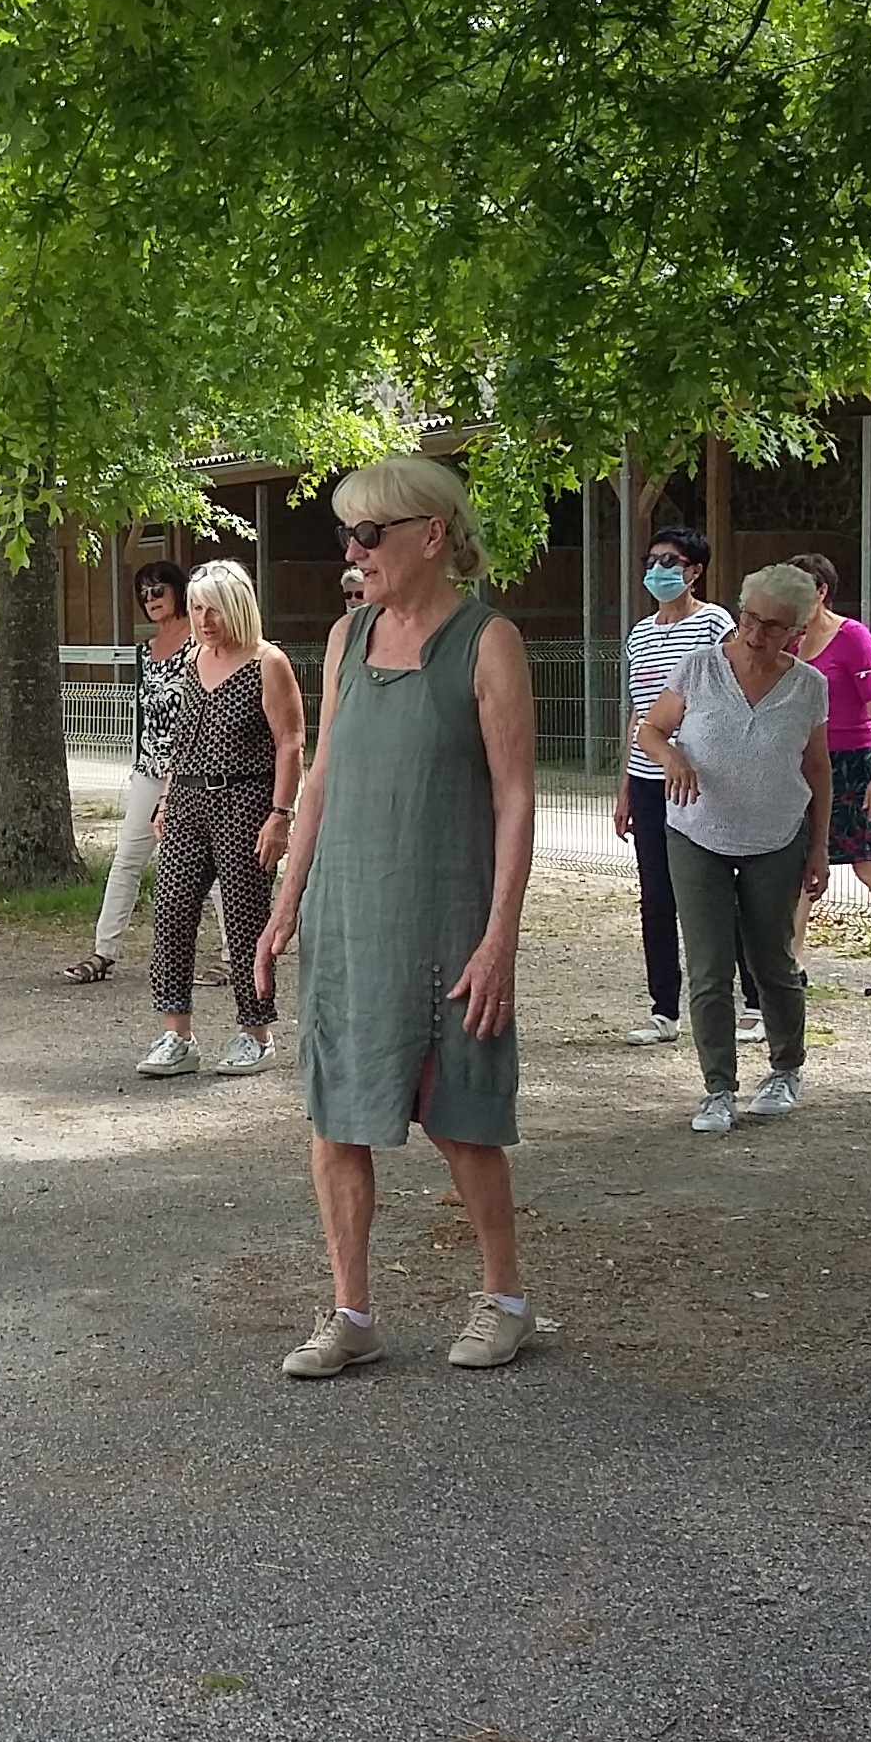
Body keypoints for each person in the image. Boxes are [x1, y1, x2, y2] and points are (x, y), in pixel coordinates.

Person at [256, 454, 538, 1376]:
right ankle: (351, 1315)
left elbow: (515, 797)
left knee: (460, 1116)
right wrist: (285, 902)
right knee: (334, 1118)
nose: (355, 550)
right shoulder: (346, 638)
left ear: (432, 535)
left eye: (370, 533)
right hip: (349, 914)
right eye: (348, 534)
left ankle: (504, 1300)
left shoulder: (489, 641)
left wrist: (500, 938)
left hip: (448, 914)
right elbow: (325, 774)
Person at [639, 562, 831, 1132]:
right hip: (697, 832)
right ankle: (718, 1087)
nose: (755, 634)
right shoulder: (698, 668)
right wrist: (673, 757)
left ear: (795, 631)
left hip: (776, 837)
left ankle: (785, 1068)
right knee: (708, 964)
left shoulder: (808, 686)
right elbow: (650, 729)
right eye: (749, 619)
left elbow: (818, 768)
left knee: (772, 958)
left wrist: (819, 848)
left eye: (772, 626)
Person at [136, 561, 306, 1078]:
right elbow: (181, 736)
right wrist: (166, 797)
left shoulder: (267, 662)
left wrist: (280, 815)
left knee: (245, 917)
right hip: (187, 799)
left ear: (237, 607)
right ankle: (176, 1033)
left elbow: (291, 742)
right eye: (196, 609)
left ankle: (257, 1032)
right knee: (171, 911)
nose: (204, 620)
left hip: (244, 803)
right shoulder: (193, 658)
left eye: (213, 609)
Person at [615, 526, 758, 1047]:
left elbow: (726, 693)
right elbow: (637, 711)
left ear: (695, 571)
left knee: (720, 890)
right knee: (656, 894)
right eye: (652, 560)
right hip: (649, 775)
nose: (658, 570)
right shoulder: (640, 632)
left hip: (702, 778)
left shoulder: (715, 623)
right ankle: (663, 1009)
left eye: (671, 561)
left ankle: (755, 1003)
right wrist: (626, 785)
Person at [789, 552, 871, 995]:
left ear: (821, 590)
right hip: (806, 763)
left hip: (852, 762)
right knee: (801, 860)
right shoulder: (790, 641)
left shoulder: (852, 637)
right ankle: (793, 956)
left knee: (866, 864)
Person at [68, 560, 194, 984]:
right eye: (144, 593)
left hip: (192, 767)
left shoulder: (200, 643)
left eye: (159, 590)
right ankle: (104, 951)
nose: (151, 600)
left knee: (202, 857)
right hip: (149, 767)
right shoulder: (146, 651)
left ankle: (235, 955)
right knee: (127, 859)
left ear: (179, 591)